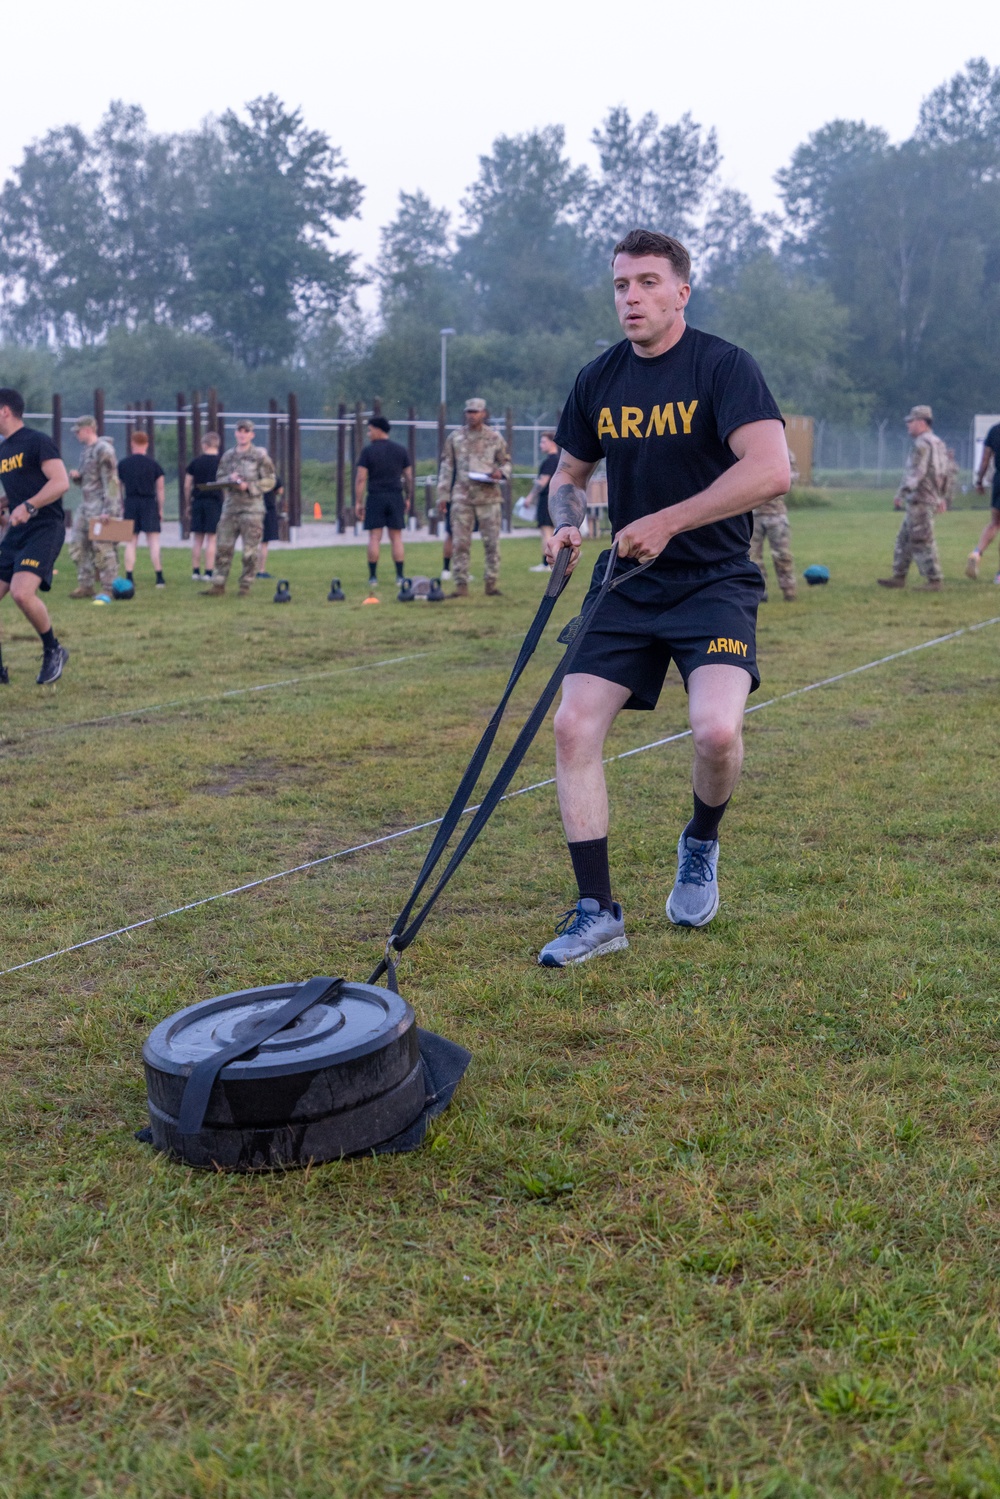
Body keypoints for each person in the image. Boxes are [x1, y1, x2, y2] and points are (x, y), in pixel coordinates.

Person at [535, 228, 789, 967]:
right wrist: (565, 525)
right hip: (625, 584)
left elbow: (772, 469)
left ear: (682, 289)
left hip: (713, 581)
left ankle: (701, 841)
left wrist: (669, 520)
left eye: (647, 282)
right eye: (621, 285)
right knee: (572, 727)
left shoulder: (723, 367)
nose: (631, 297)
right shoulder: (600, 378)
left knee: (715, 732)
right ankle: (597, 911)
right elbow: (567, 477)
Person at [0, 387, 71, 685]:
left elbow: (61, 482)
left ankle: (53, 649)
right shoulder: (3, 450)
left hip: (45, 528)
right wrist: (6, 503)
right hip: (17, 531)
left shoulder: (37, 441)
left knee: (21, 592)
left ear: (4, 410)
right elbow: (22, 487)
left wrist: (29, 506)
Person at [436, 398, 511, 598]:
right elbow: (446, 467)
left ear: (484, 413)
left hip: (489, 496)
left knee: (492, 543)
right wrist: (442, 494)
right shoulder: (455, 438)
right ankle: (461, 585)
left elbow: (506, 462)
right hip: (462, 497)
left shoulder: (494, 438)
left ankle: (491, 583)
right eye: (469, 411)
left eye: (476, 411)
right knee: (460, 542)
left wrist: (500, 473)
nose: (472, 415)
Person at [877, 405, 948, 591]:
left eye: (912, 421)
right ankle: (898, 577)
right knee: (905, 539)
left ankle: (934, 580)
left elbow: (917, 472)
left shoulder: (922, 444)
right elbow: (945, 472)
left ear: (922, 423)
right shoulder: (938, 443)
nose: (908, 425)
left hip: (920, 498)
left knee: (922, 540)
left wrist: (902, 492)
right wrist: (942, 496)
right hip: (930, 496)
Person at [204, 420, 276, 596]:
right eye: (240, 431)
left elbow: (270, 480)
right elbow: (219, 477)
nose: (242, 434)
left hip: (252, 509)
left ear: (252, 434)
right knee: (223, 547)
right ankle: (218, 584)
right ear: (235, 433)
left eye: (246, 431)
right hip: (231, 508)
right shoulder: (228, 456)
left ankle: (245, 585)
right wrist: (230, 478)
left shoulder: (259, 456)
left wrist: (249, 486)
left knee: (249, 551)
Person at [355, 417, 412, 593]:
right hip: (395, 496)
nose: (368, 433)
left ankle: (373, 577)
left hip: (376, 497)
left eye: (370, 430)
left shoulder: (368, 452)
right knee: (396, 537)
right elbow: (409, 477)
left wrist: (358, 501)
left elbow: (361, 478)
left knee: (374, 537)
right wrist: (408, 497)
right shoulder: (401, 450)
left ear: (379, 430)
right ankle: (400, 576)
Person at [68, 416, 121, 601]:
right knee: (77, 543)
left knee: (103, 548)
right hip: (86, 505)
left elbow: (112, 481)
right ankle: (86, 584)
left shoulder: (104, 449)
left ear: (89, 429)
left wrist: (110, 510)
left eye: (78, 430)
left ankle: (109, 587)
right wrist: (77, 477)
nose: (76, 434)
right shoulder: (86, 451)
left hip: (101, 507)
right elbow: (89, 479)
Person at [749, 443, 798, 601]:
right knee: (752, 556)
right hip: (753, 514)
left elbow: (792, 477)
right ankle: (760, 592)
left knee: (782, 554)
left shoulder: (783, 452)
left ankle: (789, 590)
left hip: (776, 514)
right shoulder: (749, 452)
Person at [118, 430, 165, 588]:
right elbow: (160, 489)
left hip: (131, 502)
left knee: (130, 542)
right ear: (146, 445)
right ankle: (159, 577)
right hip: (149, 503)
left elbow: (118, 487)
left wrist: (121, 504)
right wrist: (160, 509)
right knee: (153, 541)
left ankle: (129, 576)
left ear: (132, 444)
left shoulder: (123, 464)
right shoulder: (154, 465)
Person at [185, 431, 222, 581]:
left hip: (198, 501)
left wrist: (188, 503)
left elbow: (187, 485)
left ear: (204, 445)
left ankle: (195, 571)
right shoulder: (221, 462)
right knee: (212, 539)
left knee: (197, 539)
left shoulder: (195, 462)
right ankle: (208, 572)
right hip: (214, 502)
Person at [966, 420, 1000, 582]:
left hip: (999, 481)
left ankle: (976, 553)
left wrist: (979, 481)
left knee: (995, 523)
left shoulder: (995, 430)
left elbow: (985, 461)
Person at [529, 431, 560, 572]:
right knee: (553, 532)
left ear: (552, 442)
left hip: (546, 499)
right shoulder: (559, 460)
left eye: (543, 442)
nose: (541, 445)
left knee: (546, 532)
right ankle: (555, 561)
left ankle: (547, 564)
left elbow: (542, 482)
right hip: (555, 499)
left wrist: (530, 497)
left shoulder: (550, 461)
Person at [257, 472, 283, 578]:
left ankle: (249, 570)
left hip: (253, 510)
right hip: (268, 509)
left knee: (252, 542)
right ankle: (261, 570)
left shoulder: (252, 474)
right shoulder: (272, 475)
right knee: (264, 543)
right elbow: (280, 490)